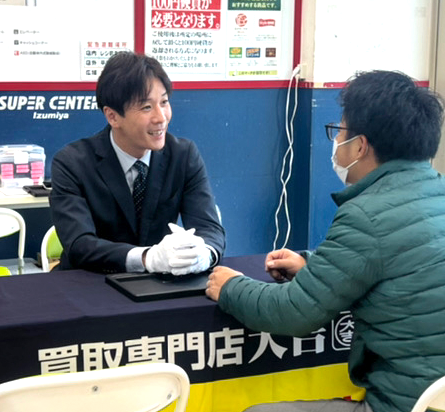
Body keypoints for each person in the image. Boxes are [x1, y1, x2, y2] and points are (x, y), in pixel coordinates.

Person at [206, 70, 445, 412]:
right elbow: (398, 264)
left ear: (360, 146)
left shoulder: (366, 214)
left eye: (340, 131)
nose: (336, 142)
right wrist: (312, 265)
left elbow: (294, 313)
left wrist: (231, 287)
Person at [50, 51, 225, 274]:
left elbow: (209, 227)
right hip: (91, 281)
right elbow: (79, 244)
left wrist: (204, 254)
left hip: (160, 283)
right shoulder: (72, 163)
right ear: (113, 116)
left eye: (164, 102)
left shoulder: (183, 155)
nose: (161, 117)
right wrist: (147, 258)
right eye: (146, 107)